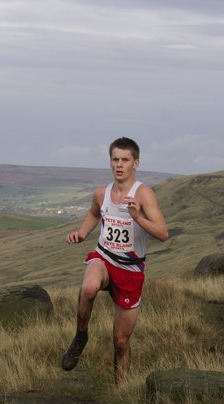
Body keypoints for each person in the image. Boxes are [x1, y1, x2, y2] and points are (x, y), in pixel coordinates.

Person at [62, 137, 168, 386]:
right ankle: (80, 336)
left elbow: (163, 233)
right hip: (104, 257)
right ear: (110, 162)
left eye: (125, 160)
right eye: (115, 159)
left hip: (130, 269)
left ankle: (120, 389)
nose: (119, 165)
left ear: (135, 163)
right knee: (89, 287)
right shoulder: (102, 193)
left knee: (120, 341)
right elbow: (94, 213)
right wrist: (82, 233)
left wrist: (138, 217)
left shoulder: (143, 194)